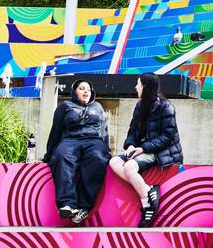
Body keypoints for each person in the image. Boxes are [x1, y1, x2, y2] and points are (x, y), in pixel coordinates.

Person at [109, 73, 182, 226]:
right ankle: (149, 190)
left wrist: (143, 148)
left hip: (161, 152)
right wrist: (130, 145)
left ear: (145, 87)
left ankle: (146, 203)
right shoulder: (140, 105)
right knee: (114, 161)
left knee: (129, 167)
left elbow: (167, 137)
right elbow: (133, 131)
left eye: (138, 84)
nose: (136, 87)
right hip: (141, 149)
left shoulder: (166, 107)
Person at [43, 78, 110, 225]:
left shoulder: (98, 107)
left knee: (98, 158)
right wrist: (49, 154)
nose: (86, 91)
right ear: (74, 92)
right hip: (70, 140)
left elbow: (104, 131)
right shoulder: (65, 106)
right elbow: (55, 131)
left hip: (93, 141)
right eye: (81, 88)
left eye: (88, 89)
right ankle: (67, 204)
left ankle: (83, 205)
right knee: (62, 156)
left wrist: (107, 150)